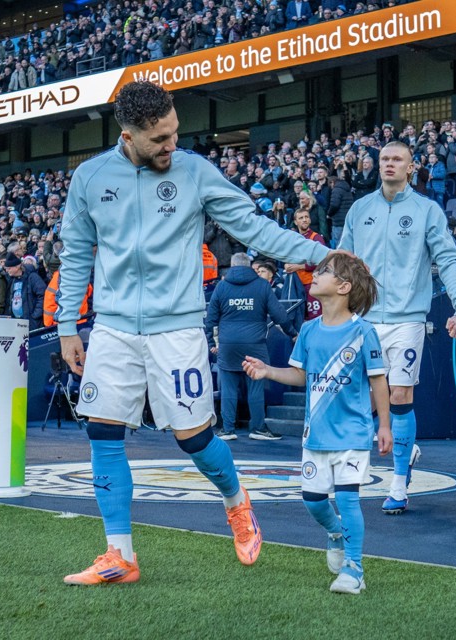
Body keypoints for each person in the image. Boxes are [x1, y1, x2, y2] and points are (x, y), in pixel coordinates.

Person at [56, 81, 331, 585]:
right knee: (102, 433)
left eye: (174, 133)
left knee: (195, 439)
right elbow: (75, 254)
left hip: (177, 328)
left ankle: (236, 501)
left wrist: (321, 254)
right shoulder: (90, 177)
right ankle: (120, 554)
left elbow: (254, 228)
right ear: (129, 134)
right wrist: (67, 325)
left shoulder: (195, 171)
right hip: (113, 328)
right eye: (160, 138)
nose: (171, 146)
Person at [243, 252, 391, 594]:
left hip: (353, 434)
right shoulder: (308, 330)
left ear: (343, 286)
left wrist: (383, 425)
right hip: (316, 435)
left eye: (323, 272)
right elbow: (298, 374)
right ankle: (336, 532)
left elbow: (379, 382)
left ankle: (354, 569)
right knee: (312, 500)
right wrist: (267, 371)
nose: (315, 275)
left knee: (349, 498)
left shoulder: (364, 332)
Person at [338, 140, 456, 516]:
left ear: (411, 167)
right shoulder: (360, 209)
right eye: (384, 159)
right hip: (363, 319)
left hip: (408, 319)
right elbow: (342, 264)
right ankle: (380, 455)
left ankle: (398, 482)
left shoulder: (427, 210)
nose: (389, 164)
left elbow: (446, 260)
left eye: (397, 159)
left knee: (398, 396)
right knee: (359, 395)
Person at [206, 253, 298, 441]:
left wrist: (210, 343)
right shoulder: (262, 285)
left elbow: (210, 318)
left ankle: (227, 429)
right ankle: (257, 428)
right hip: (255, 344)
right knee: (256, 386)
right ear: (250, 267)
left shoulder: (222, 286)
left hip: (228, 344)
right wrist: (293, 333)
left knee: (228, 388)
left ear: (232, 266)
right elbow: (279, 314)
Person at [285, 208, 329, 321]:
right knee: (300, 317)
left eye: (306, 217)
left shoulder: (316, 238)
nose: (304, 220)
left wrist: (298, 267)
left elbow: (323, 261)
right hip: (297, 284)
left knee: (315, 317)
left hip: (312, 284)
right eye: (301, 218)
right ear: (295, 222)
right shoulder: (293, 239)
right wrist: (286, 264)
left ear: (310, 220)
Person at [3, 255, 47, 330]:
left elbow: (43, 295)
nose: (7, 271)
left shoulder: (32, 277)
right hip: (17, 322)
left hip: (31, 323)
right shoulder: (12, 280)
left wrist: (35, 315)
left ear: (17, 267)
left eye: (9, 268)